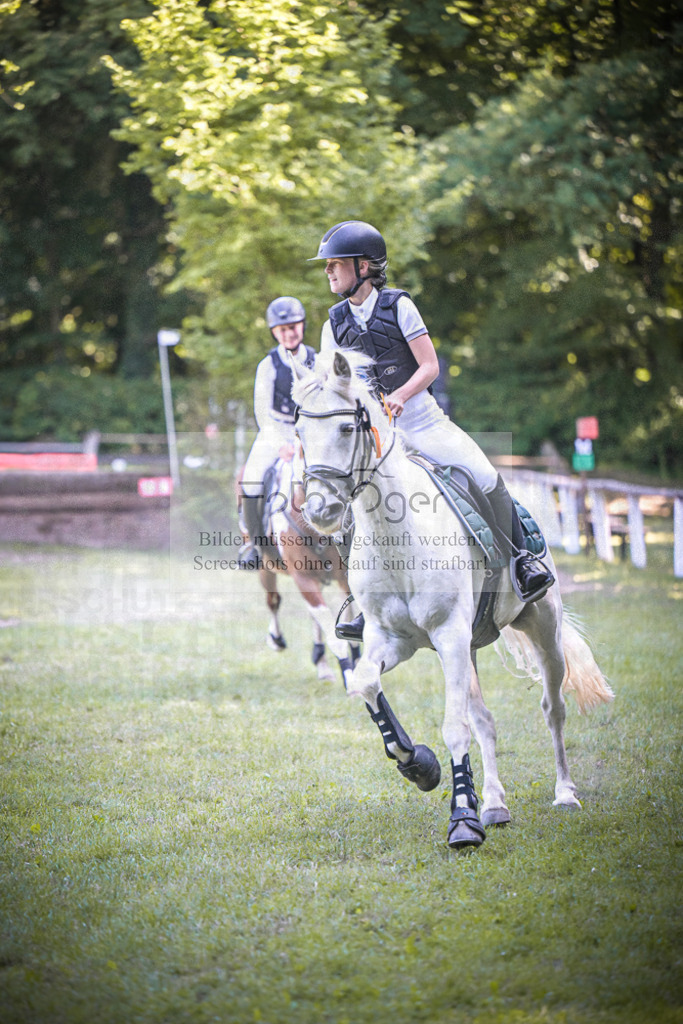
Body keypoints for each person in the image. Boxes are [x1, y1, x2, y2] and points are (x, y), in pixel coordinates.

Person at [308, 220, 554, 638]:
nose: (328, 272)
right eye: (327, 266)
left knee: (484, 476)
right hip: (377, 439)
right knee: (351, 507)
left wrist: (401, 395)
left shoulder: (399, 306)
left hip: (423, 422)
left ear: (364, 266)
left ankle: (521, 564)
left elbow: (430, 366)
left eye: (335, 264)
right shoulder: (333, 325)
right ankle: (361, 600)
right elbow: (334, 388)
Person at [238, 296, 316, 568]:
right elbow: (262, 412)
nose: (289, 333)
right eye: (282, 329)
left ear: (302, 326)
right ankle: (254, 544)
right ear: (274, 332)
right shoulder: (268, 365)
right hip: (276, 431)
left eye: (293, 326)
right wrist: (280, 444)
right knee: (251, 479)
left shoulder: (317, 361)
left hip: (310, 433)